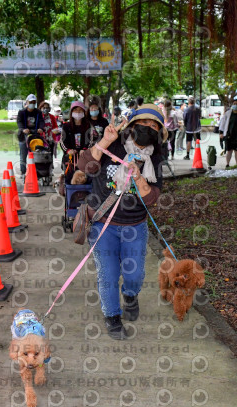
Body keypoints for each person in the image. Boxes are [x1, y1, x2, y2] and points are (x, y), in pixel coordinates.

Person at [77, 104, 165, 339]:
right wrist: (104, 141)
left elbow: (152, 198)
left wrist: (139, 178)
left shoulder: (155, 158)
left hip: (135, 226)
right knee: (108, 274)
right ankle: (112, 316)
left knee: (134, 275)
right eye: (143, 124)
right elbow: (84, 166)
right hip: (103, 223)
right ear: (132, 126)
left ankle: (130, 294)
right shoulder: (112, 144)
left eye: (153, 126)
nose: (148, 129)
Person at [16, 94, 46, 175]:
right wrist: (23, 129)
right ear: (27, 102)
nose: (32, 103)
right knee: (23, 153)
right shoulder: (22, 112)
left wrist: (41, 128)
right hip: (24, 135)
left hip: (35, 135)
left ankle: (36, 171)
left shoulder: (38, 112)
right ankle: (23, 172)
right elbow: (19, 122)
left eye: (34, 102)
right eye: (31, 102)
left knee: (37, 152)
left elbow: (41, 121)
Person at [60, 100, 91, 174]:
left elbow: (91, 140)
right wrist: (68, 150)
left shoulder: (88, 126)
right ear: (72, 112)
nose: (78, 112)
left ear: (84, 112)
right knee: (69, 177)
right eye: (75, 110)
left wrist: (85, 149)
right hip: (70, 157)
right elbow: (62, 141)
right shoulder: (66, 126)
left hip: (84, 156)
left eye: (80, 110)